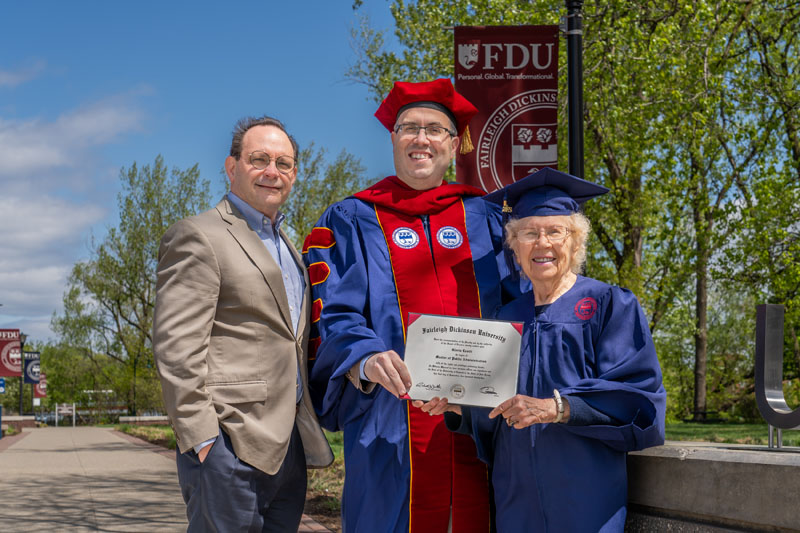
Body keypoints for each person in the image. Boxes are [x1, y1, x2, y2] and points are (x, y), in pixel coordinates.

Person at [302, 79, 519, 532]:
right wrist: (364, 358)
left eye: (435, 129)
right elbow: (334, 313)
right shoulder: (352, 219)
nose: (422, 138)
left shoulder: (489, 219)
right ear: (393, 137)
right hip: (390, 420)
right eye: (410, 128)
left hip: (479, 424)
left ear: (455, 143)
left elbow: (519, 310)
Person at [421, 167, 667, 531]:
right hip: (515, 495)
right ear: (514, 245)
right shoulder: (506, 318)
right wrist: (460, 404)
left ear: (576, 241)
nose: (542, 243)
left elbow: (639, 398)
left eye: (555, 231)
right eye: (529, 233)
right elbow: (493, 413)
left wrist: (560, 408)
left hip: (585, 494)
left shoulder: (609, 304)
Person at [153, 115, 333, 532]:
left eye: (283, 163)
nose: (273, 171)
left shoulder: (288, 246)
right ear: (232, 167)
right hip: (228, 445)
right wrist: (204, 441)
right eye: (259, 159)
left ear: (294, 174)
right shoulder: (199, 236)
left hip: (287, 448)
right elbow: (177, 349)